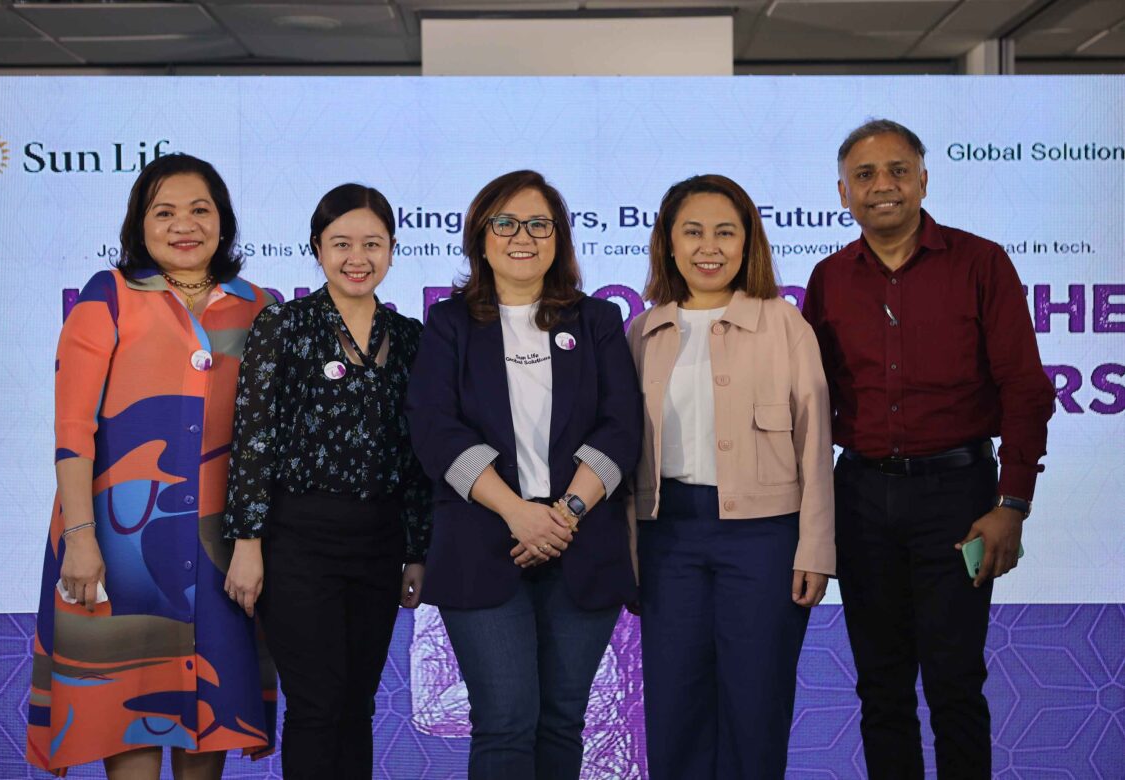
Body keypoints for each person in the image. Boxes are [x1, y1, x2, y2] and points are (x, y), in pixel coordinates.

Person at [802, 119, 1055, 778]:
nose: (882, 186)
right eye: (865, 175)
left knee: (954, 685)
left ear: (923, 180)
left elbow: (1025, 390)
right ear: (842, 193)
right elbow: (808, 403)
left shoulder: (982, 263)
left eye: (897, 171)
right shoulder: (828, 279)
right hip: (859, 498)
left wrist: (1013, 505)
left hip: (961, 499)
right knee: (880, 690)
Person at [27, 154, 276, 777]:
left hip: (225, 553)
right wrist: (81, 539)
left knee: (207, 732)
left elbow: (272, 438)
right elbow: (72, 431)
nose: (183, 224)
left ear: (224, 222)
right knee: (126, 719)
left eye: (200, 210)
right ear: (140, 224)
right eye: (164, 212)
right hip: (119, 547)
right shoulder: (107, 295)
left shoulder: (261, 306)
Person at [406, 170, 642, 780]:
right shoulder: (449, 324)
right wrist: (518, 513)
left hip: (581, 539)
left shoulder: (595, 321)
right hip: (483, 545)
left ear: (559, 238)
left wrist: (564, 515)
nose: (522, 237)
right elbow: (436, 430)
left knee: (563, 721)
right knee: (507, 722)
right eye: (505, 223)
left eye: (540, 224)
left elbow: (620, 427)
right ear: (480, 238)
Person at [627, 174, 835, 779]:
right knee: (676, 707)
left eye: (725, 232)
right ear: (667, 243)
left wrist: (815, 548)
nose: (708, 246)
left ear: (749, 244)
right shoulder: (642, 331)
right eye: (692, 232)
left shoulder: (784, 324)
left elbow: (816, 443)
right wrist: (628, 553)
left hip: (765, 540)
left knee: (756, 706)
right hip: (668, 539)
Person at [222, 183, 432, 779]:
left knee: (357, 706)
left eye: (372, 243)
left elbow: (417, 455)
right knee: (317, 705)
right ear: (317, 248)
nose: (356, 258)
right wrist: (247, 543)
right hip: (298, 543)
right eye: (341, 243)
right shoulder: (283, 325)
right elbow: (254, 438)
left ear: (393, 249)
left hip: (380, 543)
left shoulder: (414, 337)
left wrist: (416, 551)